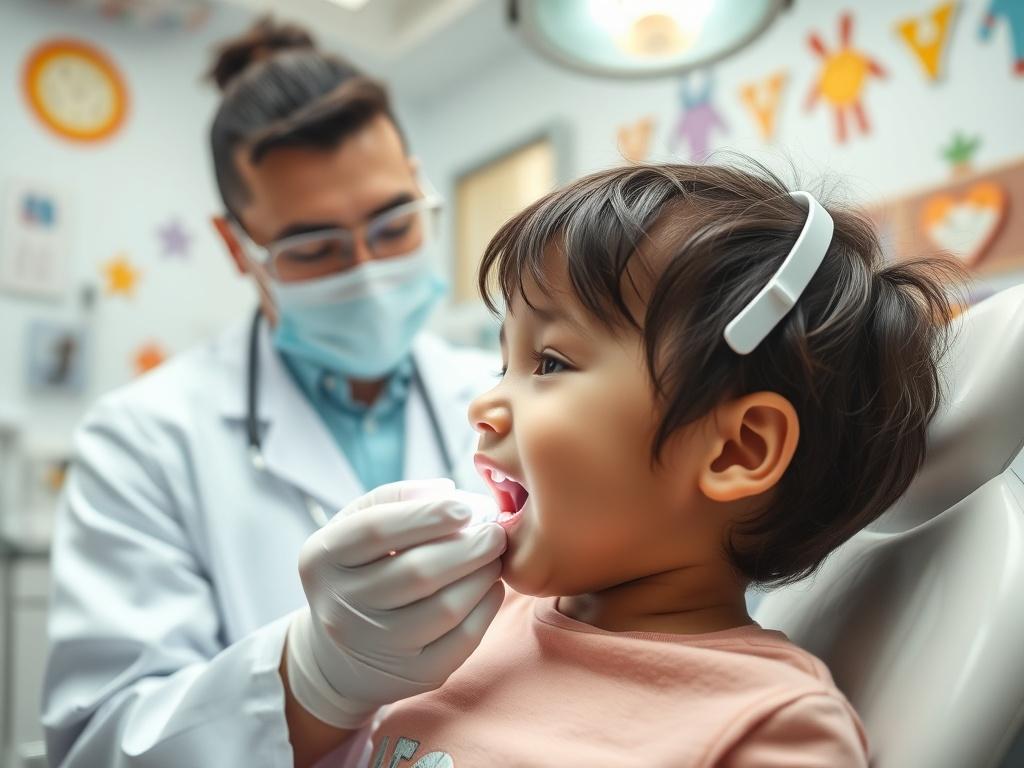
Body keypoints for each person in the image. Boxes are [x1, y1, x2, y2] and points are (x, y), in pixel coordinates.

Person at [324, 161, 962, 766]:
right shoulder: (462, 632)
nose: (485, 404)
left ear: (738, 450)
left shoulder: (768, 725)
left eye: (549, 363)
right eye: (504, 362)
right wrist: (326, 677)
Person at [41, 18, 507, 768]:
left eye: (393, 225)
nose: (366, 269)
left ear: (421, 187)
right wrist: (316, 679)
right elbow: (100, 743)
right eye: (315, 248)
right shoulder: (142, 438)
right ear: (239, 249)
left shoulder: (489, 392)